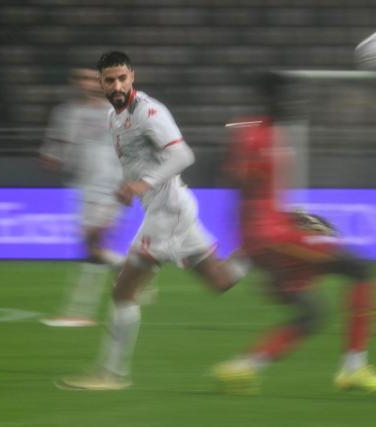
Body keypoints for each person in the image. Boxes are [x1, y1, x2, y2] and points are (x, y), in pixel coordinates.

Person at [57, 51, 247, 390]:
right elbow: (137, 163)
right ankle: (262, 247)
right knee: (221, 281)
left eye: (122, 78)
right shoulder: (114, 117)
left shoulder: (149, 112)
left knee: (123, 290)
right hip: (171, 209)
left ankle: (111, 375)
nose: (116, 85)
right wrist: (126, 188)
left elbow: (182, 154)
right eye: (109, 80)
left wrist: (142, 184)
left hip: (166, 213)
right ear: (101, 83)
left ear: (132, 77)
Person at [212, 109, 376, 394]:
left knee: (312, 315)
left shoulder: (250, 174)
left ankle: (244, 366)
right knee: (361, 269)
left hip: (274, 256)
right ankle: (354, 368)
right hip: (281, 245)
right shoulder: (262, 158)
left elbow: (246, 242)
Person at [39, 68, 129, 327]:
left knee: (94, 243)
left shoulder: (116, 112)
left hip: (112, 185)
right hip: (83, 185)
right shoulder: (66, 113)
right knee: (92, 248)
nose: (86, 83)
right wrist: (52, 158)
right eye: (81, 79)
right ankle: (129, 269)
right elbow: (56, 147)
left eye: (91, 79)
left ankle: (79, 310)